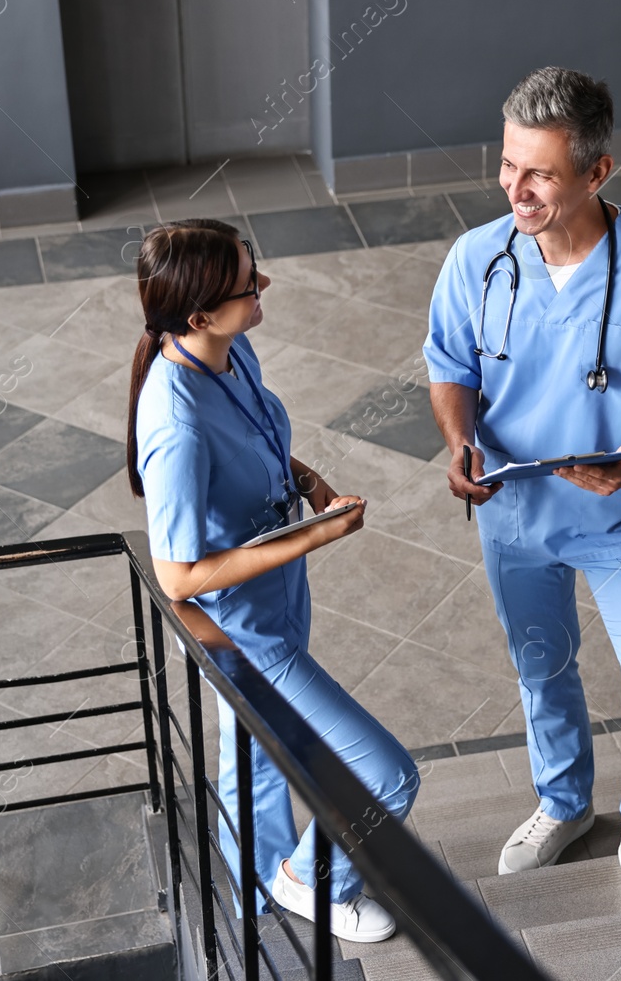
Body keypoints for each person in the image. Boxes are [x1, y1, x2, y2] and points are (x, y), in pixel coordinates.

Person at [423, 67, 621, 909]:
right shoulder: (475, 259)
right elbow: (449, 365)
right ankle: (563, 804)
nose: (515, 191)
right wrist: (459, 441)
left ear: (598, 173)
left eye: (540, 174)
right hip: (514, 515)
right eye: (507, 166)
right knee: (543, 671)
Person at [127, 218, 418, 942]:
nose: (264, 288)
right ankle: (308, 881)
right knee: (388, 776)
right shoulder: (175, 424)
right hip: (248, 634)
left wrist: (307, 479)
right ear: (198, 315)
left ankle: (257, 894)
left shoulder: (230, 349)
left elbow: (258, 436)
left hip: (281, 596)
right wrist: (317, 534)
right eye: (248, 284)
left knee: (256, 755)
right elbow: (177, 577)